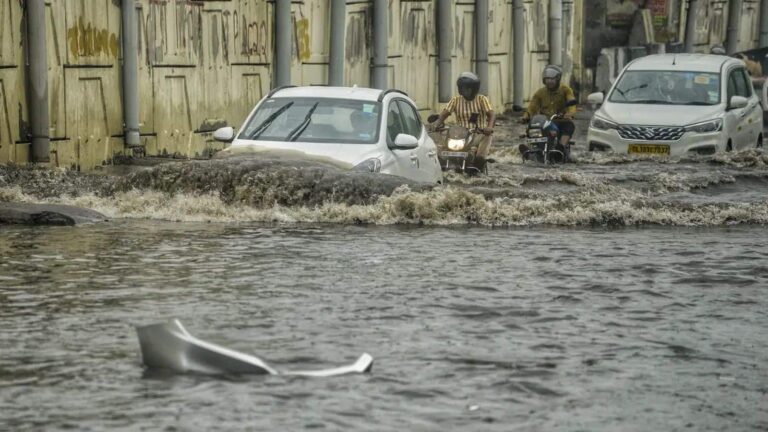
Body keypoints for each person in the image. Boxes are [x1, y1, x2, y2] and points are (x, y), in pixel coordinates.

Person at [431, 72, 495, 171]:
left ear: (473, 89)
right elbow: (444, 114)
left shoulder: (482, 99)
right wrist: (436, 123)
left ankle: (478, 168)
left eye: (466, 88)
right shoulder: (455, 100)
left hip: (479, 134)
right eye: (461, 87)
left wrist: (489, 127)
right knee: (440, 151)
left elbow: (491, 114)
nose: (462, 90)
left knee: (480, 156)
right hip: (460, 135)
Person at [519, 65, 577, 156]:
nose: (549, 81)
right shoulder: (540, 93)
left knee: (569, 126)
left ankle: (561, 147)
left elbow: (571, 102)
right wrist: (525, 117)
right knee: (532, 127)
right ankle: (532, 149)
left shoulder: (566, 90)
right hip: (545, 121)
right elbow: (532, 107)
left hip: (560, 120)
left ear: (558, 79)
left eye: (552, 79)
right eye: (547, 79)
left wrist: (570, 113)